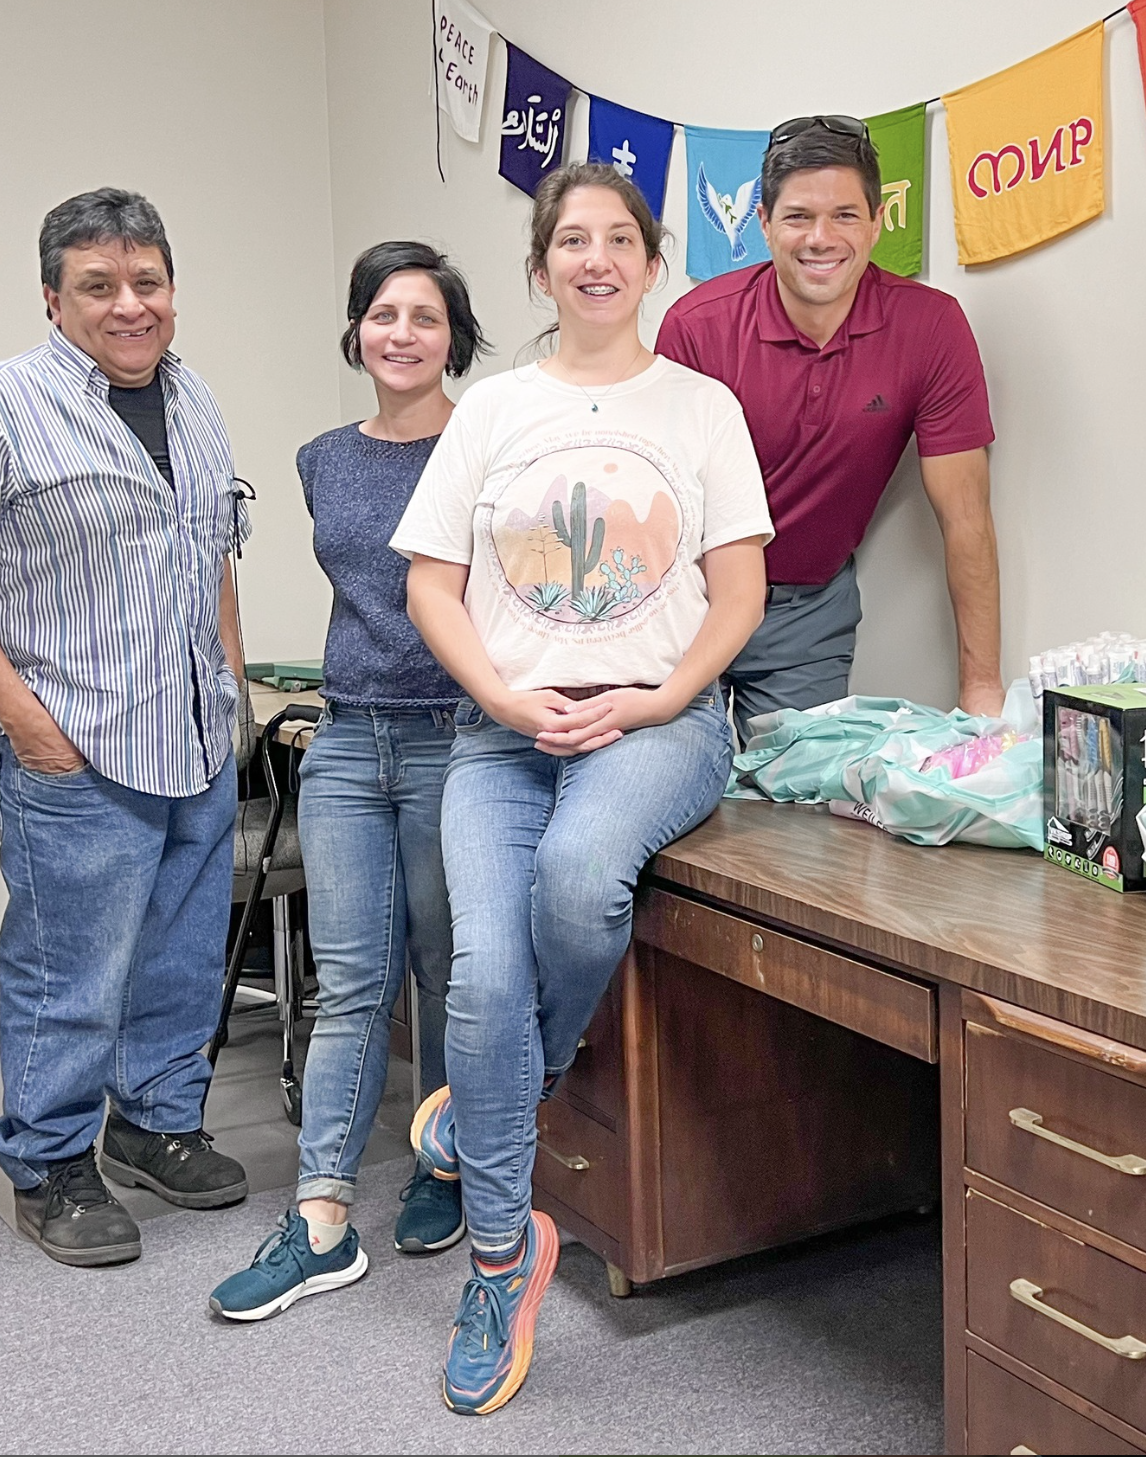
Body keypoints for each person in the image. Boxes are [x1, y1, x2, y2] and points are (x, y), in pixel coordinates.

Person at [391, 163, 773, 1414]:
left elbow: (738, 595)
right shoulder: (491, 411)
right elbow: (432, 589)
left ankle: (497, 1096)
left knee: (574, 882)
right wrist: (502, 698)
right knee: (484, 974)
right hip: (501, 733)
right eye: (571, 240)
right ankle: (503, 1264)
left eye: (620, 239)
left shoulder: (703, 407)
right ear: (541, 266)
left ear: (653, 262)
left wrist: (664, 700)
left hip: (658, 723)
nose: (595, 258)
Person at [0, 188, 250, 1267]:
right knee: (70, 971)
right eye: (99, 285)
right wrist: (23, 720)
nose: (129, 304)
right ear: (55, 298)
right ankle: (50, 1160)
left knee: (181, 960)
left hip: (194, 741)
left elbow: (214, 551)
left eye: (147, 282)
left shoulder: (194, 401)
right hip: (76, 752)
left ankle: (155, 1123)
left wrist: (231, 680)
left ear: (174, 295)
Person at [209, 242, 490, 1323]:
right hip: (344, 739)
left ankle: (442, 1163)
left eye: (425, 315)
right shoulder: (322, 456)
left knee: (443, 966)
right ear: (357, 330)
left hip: (451, 736)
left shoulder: (488, 443)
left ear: (453, 335)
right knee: (351, 977)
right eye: (383, 313)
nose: (403, 333)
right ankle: (321, 1215)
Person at [655, 115, 1004, 740]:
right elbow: (657, 503)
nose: (821, 238)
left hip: (807, 613)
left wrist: (981, 685)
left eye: (845, 215)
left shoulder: (931, 328)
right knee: (667, 792)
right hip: (686, 599)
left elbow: (967, 517)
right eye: (797, 217)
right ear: (762, 224)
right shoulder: (696, 327)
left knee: (794, 816)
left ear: (876, 222)